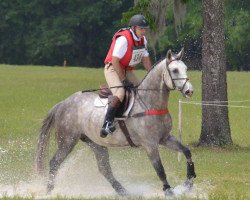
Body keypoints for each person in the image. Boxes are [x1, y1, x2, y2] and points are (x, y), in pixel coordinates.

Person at [100, 14, 152, 138]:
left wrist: (151, 74)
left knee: (142, 89)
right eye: (141, 29)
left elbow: (145, 59)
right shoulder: (123, 39)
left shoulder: (143, 40)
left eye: (145, 29)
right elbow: (114, 60)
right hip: (113, 68)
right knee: (120, 93)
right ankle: (107, 124)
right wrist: (123, 80)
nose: (144, 31)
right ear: (133, 28)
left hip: (126, 69)